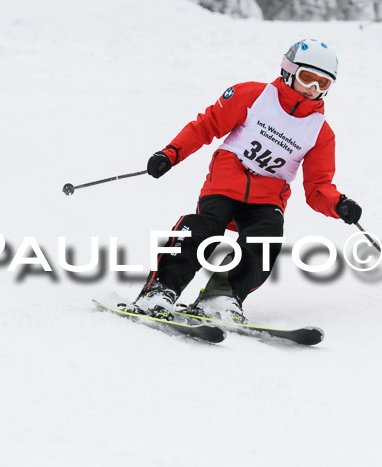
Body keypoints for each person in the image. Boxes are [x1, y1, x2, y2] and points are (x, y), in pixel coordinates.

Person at [130, 39, 363, 323]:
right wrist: (171, 153)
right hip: (227, 181)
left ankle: (222, 296)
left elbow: (318, 187)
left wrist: (338, 204)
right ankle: (161, 289)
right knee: (205, 226)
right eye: (307, 78)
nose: (313, 89)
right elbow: (207, 126)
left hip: (268, 196)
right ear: (289, 72)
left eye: (323, 84)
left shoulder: (320, 132)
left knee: (266, 236)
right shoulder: (253, 95)